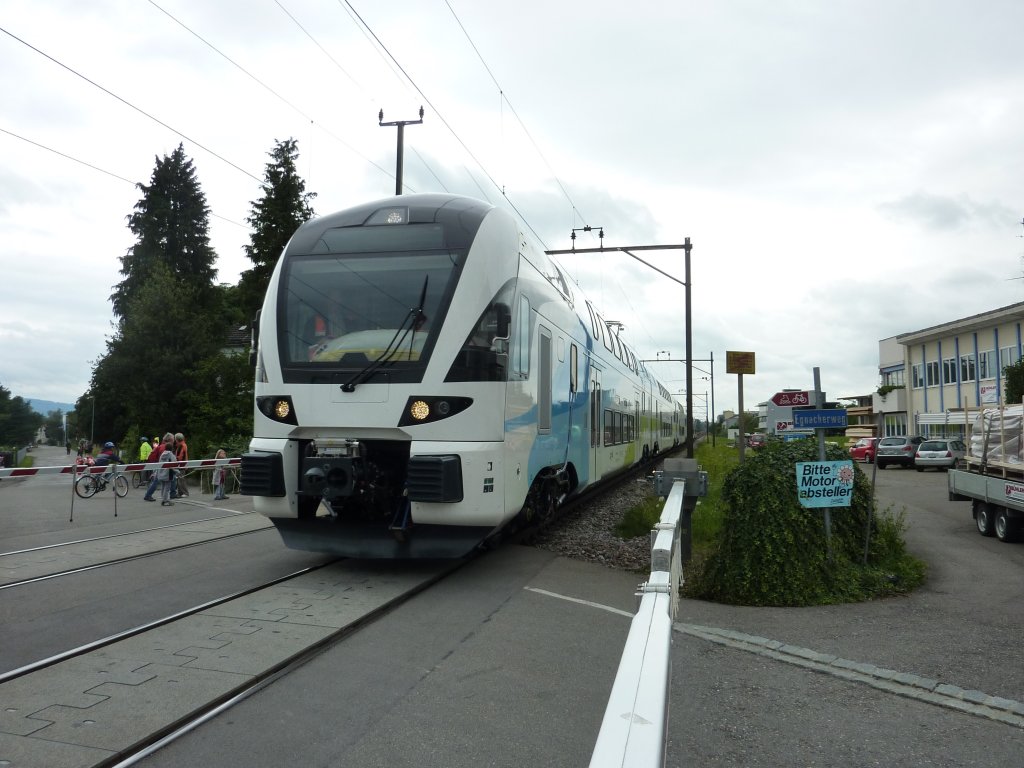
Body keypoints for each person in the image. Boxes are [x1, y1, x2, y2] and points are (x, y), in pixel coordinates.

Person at [143, 432, 175, 502]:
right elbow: (168, 458)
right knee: (157, 481)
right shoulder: (165, 447)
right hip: (162, 468)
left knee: (158, 481)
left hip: (159, 466)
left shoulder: (160, 446)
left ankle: (172, 493)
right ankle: (149, 495)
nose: (173, 441)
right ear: (170, 440)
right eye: (173, 440)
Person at [157, 441, 177, 506]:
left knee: (163, 487)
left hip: (161, 473)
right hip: (168, 474)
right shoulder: (171, 455)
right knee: (167, 488)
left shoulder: (162, 455)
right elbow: (174, 465)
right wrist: (178, 472)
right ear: (172, 448)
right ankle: (166, 500)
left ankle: (163, 499)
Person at [174, 432, 189, 498]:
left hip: (181, 465)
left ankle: (185, 493)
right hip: (182, 464)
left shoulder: (181, 446)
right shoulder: (183, 444)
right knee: (180, 479)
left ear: (177, 439)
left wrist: (175, 459)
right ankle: (180, 493)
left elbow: (180, 456)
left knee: (181, 479)